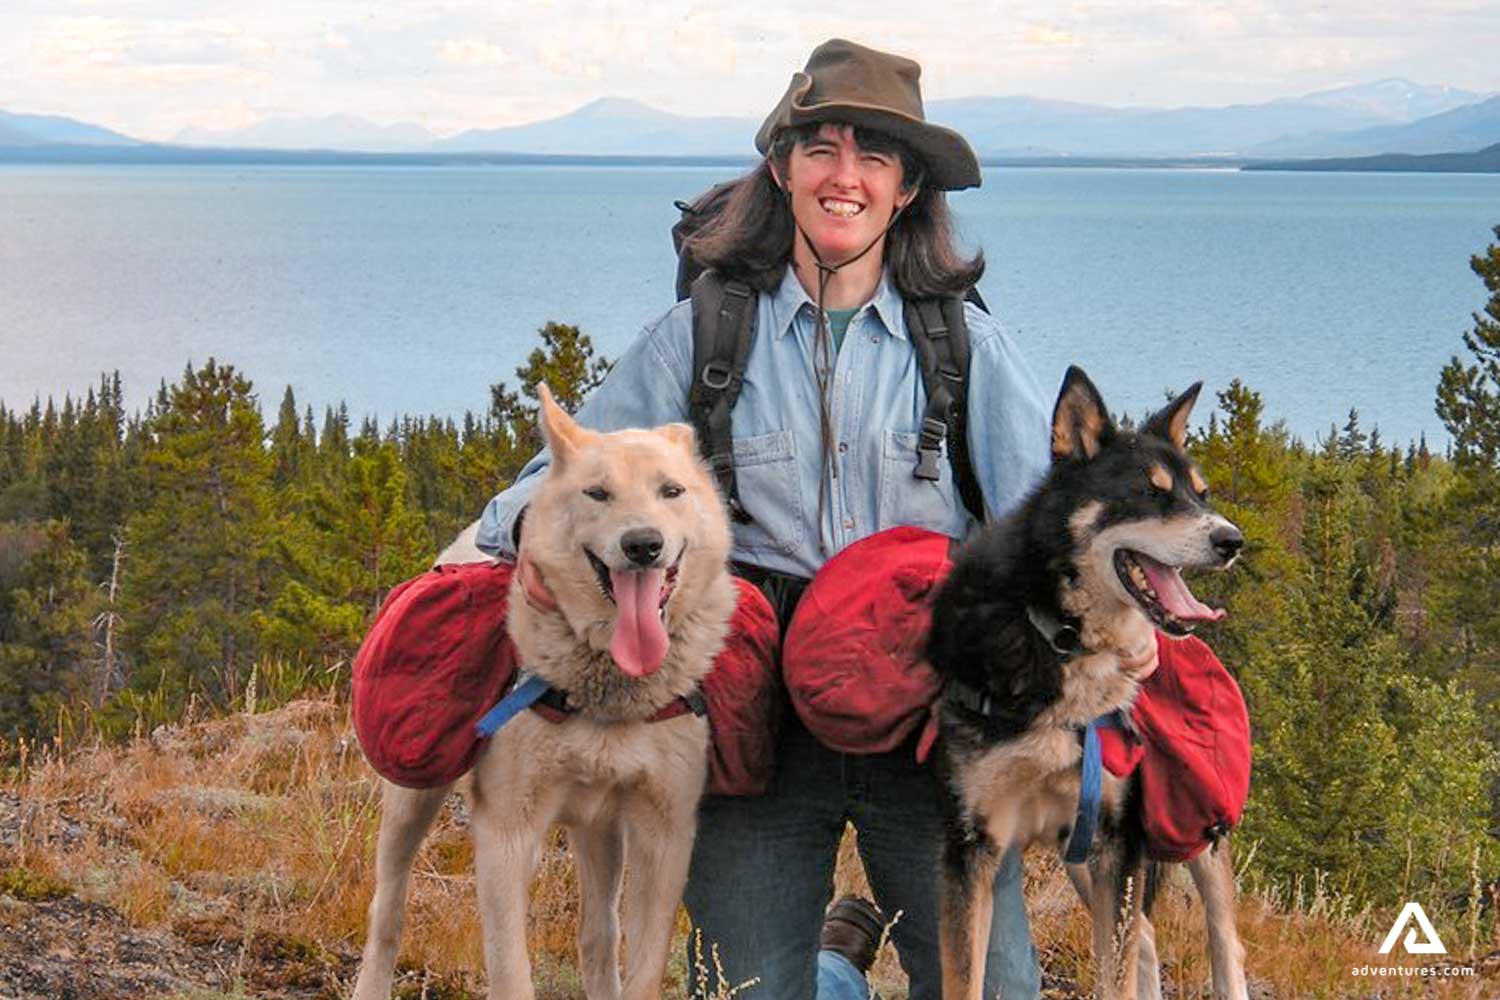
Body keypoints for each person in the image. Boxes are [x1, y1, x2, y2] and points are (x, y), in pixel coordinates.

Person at [477, 38, 1156, 1000]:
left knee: (996, 989)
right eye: (822, 149)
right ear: (782, 169)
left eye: (874, 156)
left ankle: (839, 960)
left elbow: (1049, 525)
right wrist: (514, 547)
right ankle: (841, 964)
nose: (846, 177)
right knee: (745, 990)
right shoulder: (701, 336)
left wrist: (1126, 623)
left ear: (907, 189)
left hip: (929, 715)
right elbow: (548, 490)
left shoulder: (964, 345)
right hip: (751, 715)